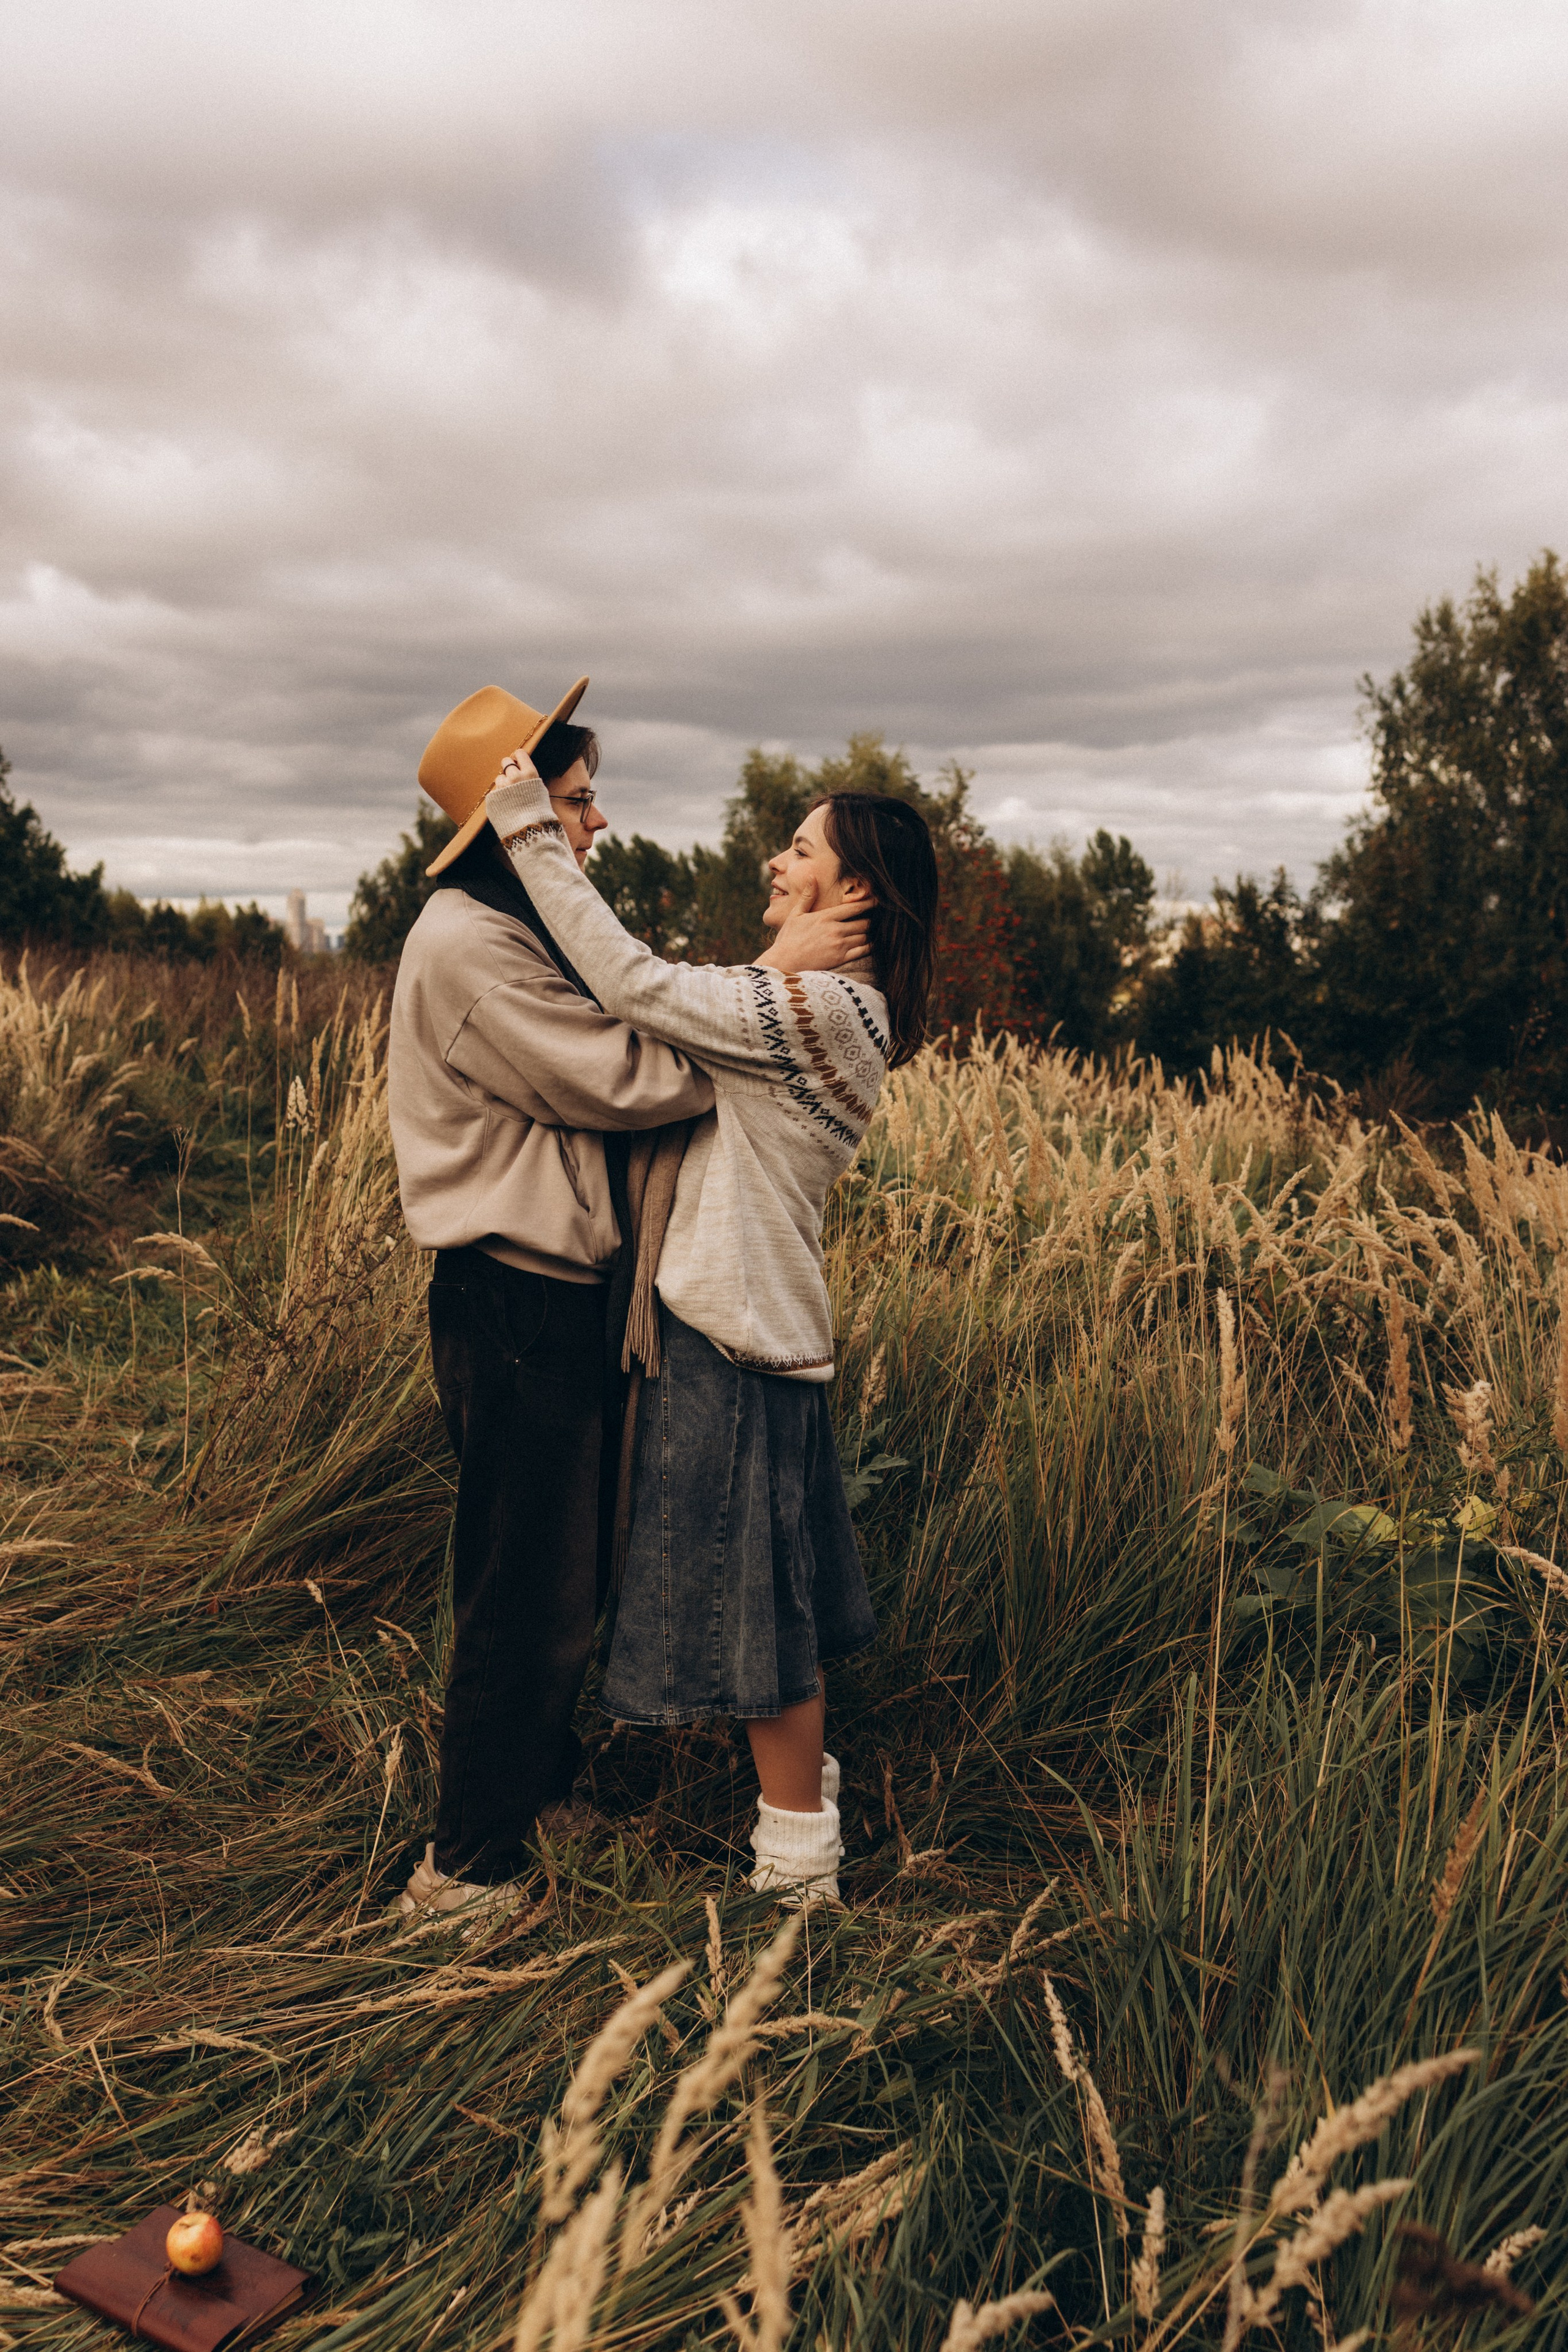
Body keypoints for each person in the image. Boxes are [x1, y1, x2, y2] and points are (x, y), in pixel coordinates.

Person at [386, 680, 864, 1929]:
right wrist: (769, 989)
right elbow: (637, 1080)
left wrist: (747, 999)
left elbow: (637, 1016)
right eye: (576, 801)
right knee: (519, 1584)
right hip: (513, 1300)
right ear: (513, 818)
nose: (594, 825)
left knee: (562, 1573)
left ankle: (537, 1790)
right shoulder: (467, 948)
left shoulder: (517, 934)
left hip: (558, 1298)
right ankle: (468, 1871)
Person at [479, 717, 939, 1904]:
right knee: (763, 1604)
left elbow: (634, 984)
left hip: (739, 1342)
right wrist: (786, 957)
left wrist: (531, 832)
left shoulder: (820, 1014)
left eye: (799, 852)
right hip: (753, 1332)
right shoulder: (821, 1006)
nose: (774, 866)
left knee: (764, 1622)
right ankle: (803, 1835)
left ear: (852, 893)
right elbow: (697, 1007)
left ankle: (797, 1881)